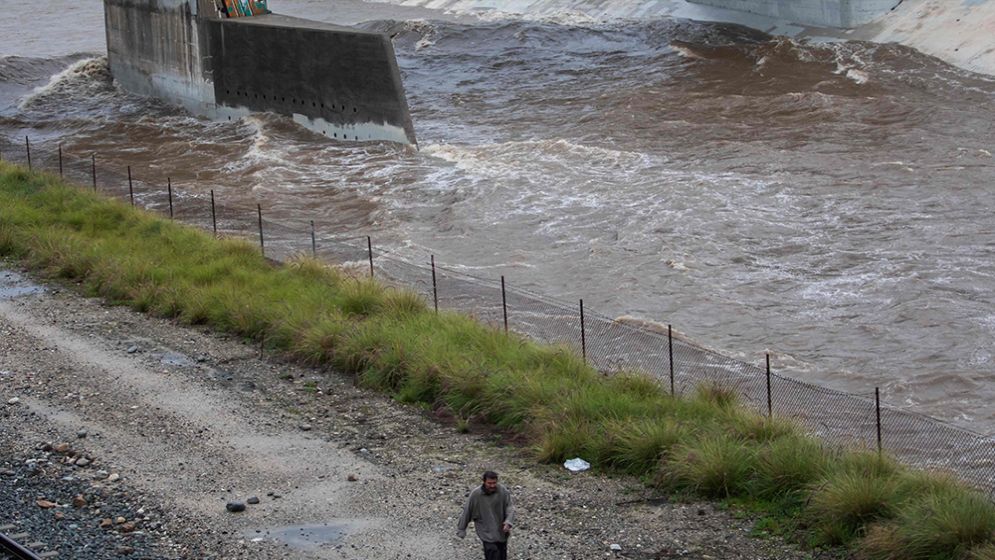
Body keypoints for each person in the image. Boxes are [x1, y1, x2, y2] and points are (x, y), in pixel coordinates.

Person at [457, 470, 515, 560]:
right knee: (493, 553)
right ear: (484, 482)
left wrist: (508, 522)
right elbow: (467, 511)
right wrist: (461, 529)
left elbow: (510, 507)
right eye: (489, 483)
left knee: (502, 555)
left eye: (494, 483)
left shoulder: (502, 491)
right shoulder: (476, 494)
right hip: (486, 531)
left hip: (501, 530)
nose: (492, 485)